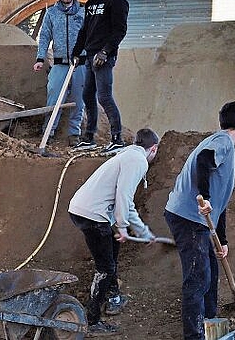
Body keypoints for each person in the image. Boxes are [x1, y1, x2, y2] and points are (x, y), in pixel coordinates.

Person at [164, 101, 235, 340]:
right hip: (187, 216)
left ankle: (210, 322)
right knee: (198, 276)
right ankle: (195, 335)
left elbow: (219, 205)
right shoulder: (223, 142)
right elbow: (203, 160)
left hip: (195, 217)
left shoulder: (220, 143)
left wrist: (221, 240)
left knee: (210, 267)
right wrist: (205, 197)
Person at [68, 127, 160, 334]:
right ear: (153, 148)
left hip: (82, 209)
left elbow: (126, 202)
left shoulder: (127, 154)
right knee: (106, 268)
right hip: (92, 215)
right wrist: (123, 226)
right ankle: (91, 321)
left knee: (112, 249)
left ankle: (113, 296)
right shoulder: (138, 161)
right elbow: (124, 197)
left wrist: (140, 230)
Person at [71, 0, 129, 154]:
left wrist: (105, 52)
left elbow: (119, 31)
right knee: (88, 95)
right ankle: (89, 138)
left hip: (104, 57)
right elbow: (84, 31)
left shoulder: (118, 1)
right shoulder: (91, 3)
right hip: (89, 55)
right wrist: (76, 52)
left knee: (104, 97)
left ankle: (117, 138)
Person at [33, 0, 86, 147]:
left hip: (80, 64)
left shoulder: (83, 12)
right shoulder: (52, 13)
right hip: (60, 63)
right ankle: (49, 129)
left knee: (78, 99)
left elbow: (91, 36)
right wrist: (40, 58)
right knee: (54, 95)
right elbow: (44, 37)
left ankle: (74, 133)